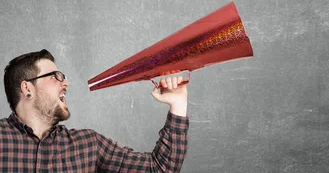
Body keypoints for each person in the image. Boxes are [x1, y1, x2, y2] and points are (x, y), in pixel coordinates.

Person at [0, 49, 189, 172]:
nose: (66, 83)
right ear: (27, 89)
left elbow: (159, 169)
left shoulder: (89, 145)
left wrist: (178, 104)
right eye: (55, 76)